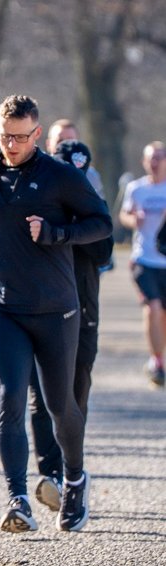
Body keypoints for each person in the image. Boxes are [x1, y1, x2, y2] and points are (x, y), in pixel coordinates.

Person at [0, 95, 112, 533]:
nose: (11, 144)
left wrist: (56, 233)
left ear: (37, 133)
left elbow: (101, 224)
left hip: (55, 309)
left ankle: (74, 480)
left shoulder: (61, 177)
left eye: (20, 137)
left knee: (60, 405)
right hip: (4, 305)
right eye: (4, 136)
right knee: (10, 397)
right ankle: (18, 499)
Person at [27, 139, 115, 512]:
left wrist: (69, 227)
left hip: (83, 311)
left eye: (80, 173)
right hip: (39, 309)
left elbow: (104, 251)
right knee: (38, 394)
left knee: (75, 392)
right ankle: (51, 474)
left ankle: (71, 469)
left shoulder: (95, 210)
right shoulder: (37, 205)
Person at [119, 141, 166, 387]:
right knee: (153, 308)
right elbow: (124, 215)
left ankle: (160, 356)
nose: (155, 162)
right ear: (144, 162)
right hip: (143, 258)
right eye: (151, 158)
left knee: (163, 315)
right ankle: (157, 360)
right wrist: (132, 219)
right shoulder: (136, 189)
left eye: (160, 157)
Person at [46, 119, 105, 199]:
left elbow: (98, 208)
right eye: (59, 141)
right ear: (48, 144)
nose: (64, 145)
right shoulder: (38, 172)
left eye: (69, 141)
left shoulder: (90, 175)